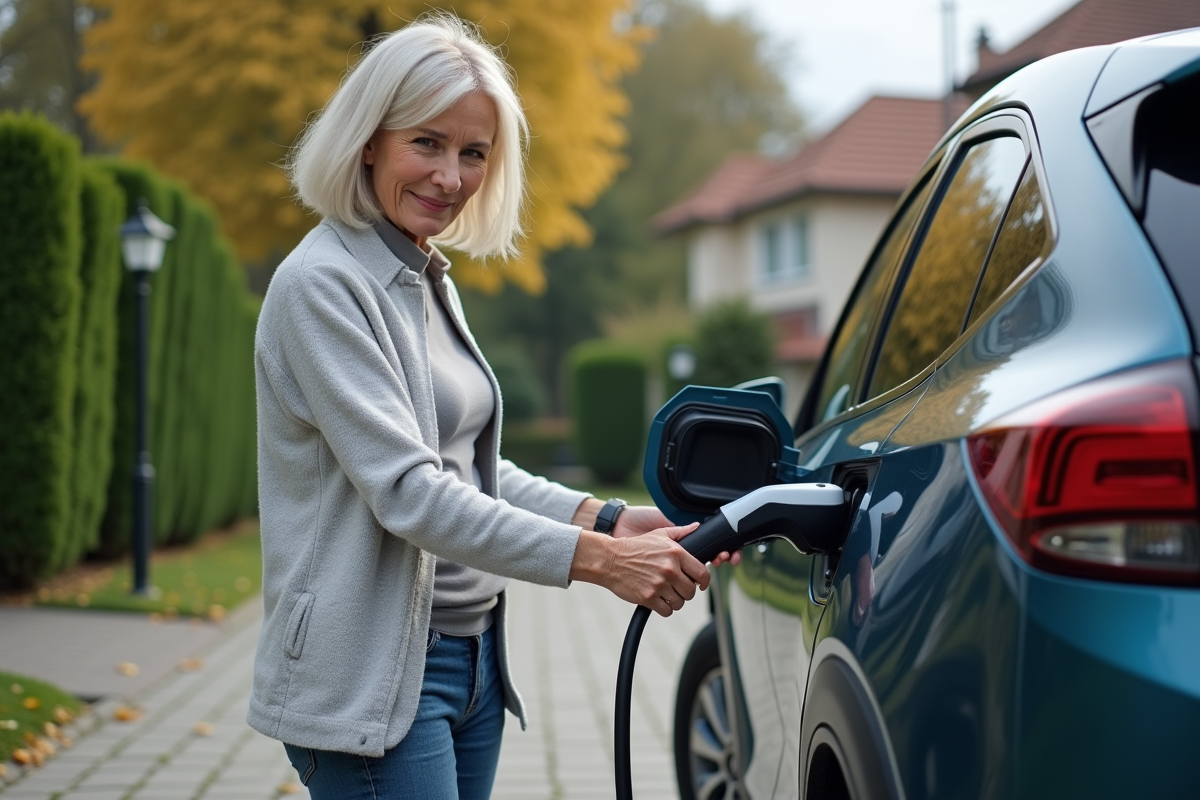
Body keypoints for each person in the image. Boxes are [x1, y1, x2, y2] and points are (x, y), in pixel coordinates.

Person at [247, 13, 738, 800]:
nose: (451, 176)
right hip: (374, 678)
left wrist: (606, 519)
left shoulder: (424, 276)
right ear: (369, 138)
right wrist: (604, 564)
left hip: (471, 660)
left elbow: (469, 469)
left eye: (473, 153)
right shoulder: (322, 287)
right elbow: (410, 493)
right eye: (428, 143)